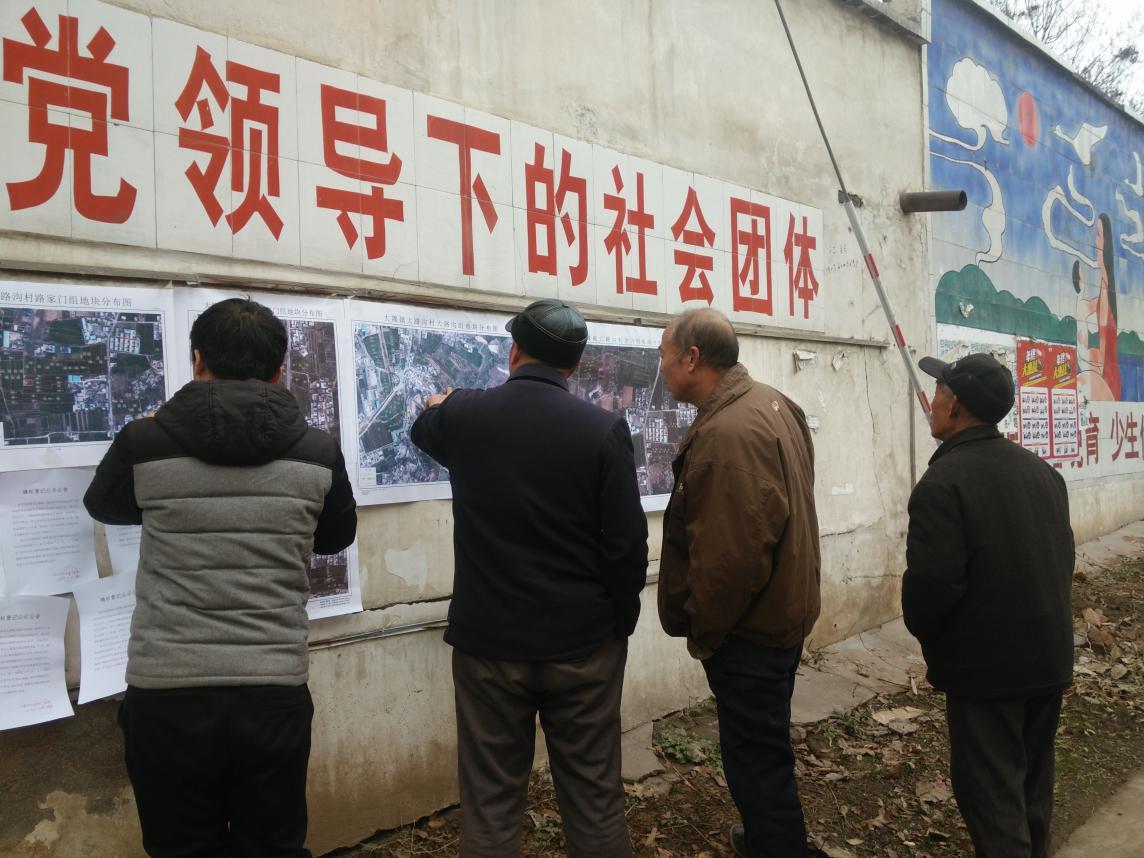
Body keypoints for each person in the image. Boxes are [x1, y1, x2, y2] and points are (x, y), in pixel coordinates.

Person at [84, 297, 357, 858]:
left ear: (197, 359)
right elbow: (335, 537)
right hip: (273, 688)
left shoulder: (145, 442)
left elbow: (105, 506)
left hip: (167, 691)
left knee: (181, 847)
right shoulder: (317, 452)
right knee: (273, 847)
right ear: (279, 370)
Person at [410, 298, 648, 858]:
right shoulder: (603, 429)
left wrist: (443, 402)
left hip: (488, 646)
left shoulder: (466, 415)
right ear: (575, 364)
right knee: (594, 799)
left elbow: (424, 427)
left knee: (490, 806)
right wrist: (617, 623)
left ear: (514, 350)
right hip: (583, 643)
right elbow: (626, 545)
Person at [656, 308, 822, 858]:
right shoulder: (772, 403)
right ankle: (771, 838)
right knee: (764, 749)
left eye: (663, 356)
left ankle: (779, 847)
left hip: (750, 633)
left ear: (692, 358)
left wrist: (705, 631)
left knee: (756, 760)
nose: (661, 368)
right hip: (780, 614)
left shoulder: (727, 434)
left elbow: (732, 562)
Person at [904, 352, 1074, 858]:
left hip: (986, 674)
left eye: (938, 392)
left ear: (954, 405)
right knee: (1031, 792)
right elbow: (1062, 560)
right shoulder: (1042, 473)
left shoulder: (943, 484)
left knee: (994, 802)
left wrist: (935, 640)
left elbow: (931, 588)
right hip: (1047, 661)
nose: (932, 401)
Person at [1072, 212, 1121, 401]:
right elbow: (1083, 310)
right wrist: (1080, 291)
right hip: (1102, 374)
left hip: (1108, 381)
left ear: (1106, 243)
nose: (1095, 241)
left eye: (1099, 235)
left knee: (1079, 382)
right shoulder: (1103, 289)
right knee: (1087, 356)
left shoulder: (1107, 290)